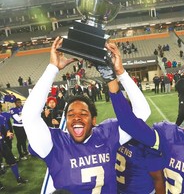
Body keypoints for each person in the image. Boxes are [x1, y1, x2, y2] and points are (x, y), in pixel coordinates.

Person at [22, 37, 151, 193]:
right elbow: (29, 115)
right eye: (70, 114)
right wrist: (52, 68)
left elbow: (142, 112)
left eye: (83, 113)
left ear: (93, 120)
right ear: (66, 120)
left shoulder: (106, 134)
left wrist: (120, 73)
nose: (76, 117)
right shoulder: (54, 144)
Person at [0, 113, 28, 186]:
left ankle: (18, 179)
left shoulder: (1, 118)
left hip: (2, 143)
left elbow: (5, 129)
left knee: (12, 161)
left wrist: (8, 133)